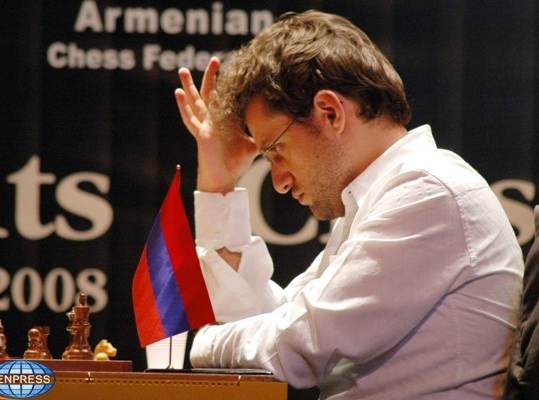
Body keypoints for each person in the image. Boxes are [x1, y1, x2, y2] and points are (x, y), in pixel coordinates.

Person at [174, 10, 524, 399]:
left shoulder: (427, 191)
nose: (279, 181)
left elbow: (293, 346)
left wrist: (204, 343)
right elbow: (269, 323)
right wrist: (220, 185)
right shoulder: (381, 197)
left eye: (276, 151)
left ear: (330, 113)